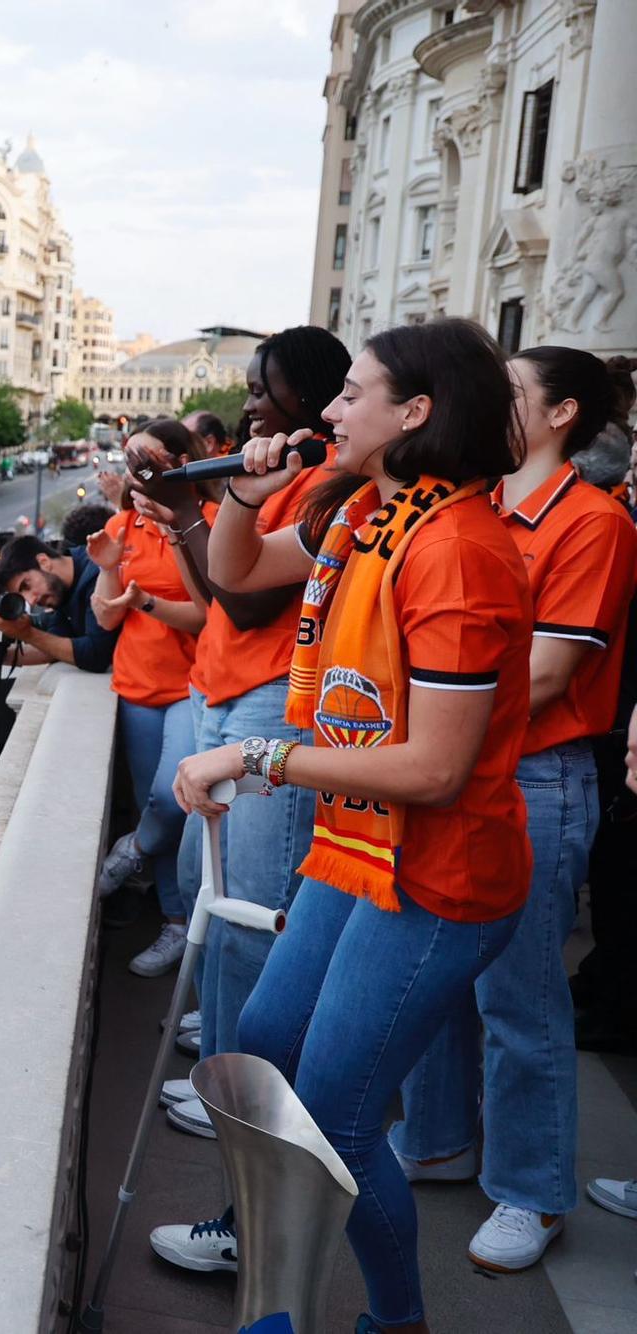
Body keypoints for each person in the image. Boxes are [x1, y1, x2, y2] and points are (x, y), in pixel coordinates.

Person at [168, 318, 534, 1329]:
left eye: (351, 393)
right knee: (268, 1037)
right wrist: (240, 492)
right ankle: (271, 1259)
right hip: (357, 845)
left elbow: (433, 765)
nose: (326, 410)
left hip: (436, 874)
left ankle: (391, 1316)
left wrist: (255, 756)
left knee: (334, 1110)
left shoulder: (454, 550)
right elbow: (236, 574)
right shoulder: (365, 515)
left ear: (411, 413)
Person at [387, 346, 635, 1272]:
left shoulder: (594, 522)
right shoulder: (477, 506)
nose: (495, 402)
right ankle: (441, 1141)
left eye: (515, 392)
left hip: (531, 777)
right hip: (454, 768)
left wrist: (422, 730)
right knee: (437, 975)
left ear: (563, 413)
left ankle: (531, 1193)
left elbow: (547, 675)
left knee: (520, 1002)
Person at [127, 325, 354, 1155]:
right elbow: (215, 587)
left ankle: (242, 1095)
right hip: (221, 690)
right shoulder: (284, 479)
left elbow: (250, 599)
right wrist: (189, 516)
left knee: (250, 908)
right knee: (208, 892)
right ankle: (222, 1062)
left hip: (268, 706)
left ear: (308, 395)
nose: (250, 404)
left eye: (264, 389)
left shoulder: (325, 483)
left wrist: (203, 510)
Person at [88, 419, 210, 978]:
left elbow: (208, 613)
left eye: (149, 461)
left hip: (190, 684)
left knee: (170, 799)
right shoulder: (121, 525)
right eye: (131, 459)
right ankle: (174, 922)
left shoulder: (202, 523)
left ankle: (131, 851)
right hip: (136, 685)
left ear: (183, 462)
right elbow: (104, 615)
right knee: (154, 801)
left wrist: (147, 603)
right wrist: (112, 573)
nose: (136, 471)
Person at [0, 536, 118, 674]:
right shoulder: (61, 591)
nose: (30, 601)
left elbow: (97, 656)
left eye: (26, 585)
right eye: (22, 597)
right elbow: (55, 648)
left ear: (44, 562)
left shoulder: (96, 572)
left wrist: (26, 633)